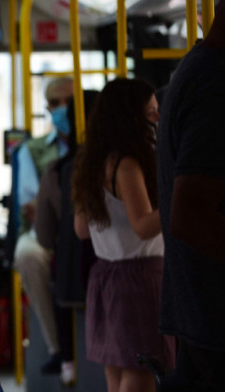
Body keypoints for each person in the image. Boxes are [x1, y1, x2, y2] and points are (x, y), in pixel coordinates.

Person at [73, 78, 176, 392]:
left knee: (116, 374)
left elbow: (81, 229)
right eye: (152, 113)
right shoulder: (128, 165)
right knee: (142, 371)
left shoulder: (90, 163)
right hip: (139, 280)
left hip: (105, 277)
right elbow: (143, 226)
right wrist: (179, 198)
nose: (158, 119)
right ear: (131, 116)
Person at [157, 3, 225, 390]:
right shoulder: (215, 81)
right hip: (214, 319)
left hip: (200, 317)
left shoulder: (196, 71)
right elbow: (193, 214)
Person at [33, 89, 99, 386]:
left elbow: (45, 236)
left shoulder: (58, 170)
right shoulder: (128, 164)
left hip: (70, 278)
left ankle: (64, 356)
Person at [12, 77, 73, 374]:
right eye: (55, 103)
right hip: (45, 231)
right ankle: (57, 347)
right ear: (46, 108)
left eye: (69, 102)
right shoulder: (31, 150)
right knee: (28, 255)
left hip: (83, 227)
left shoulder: (96, 145)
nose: (62, 109)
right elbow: (33, 206)